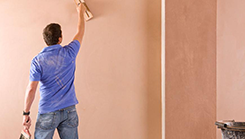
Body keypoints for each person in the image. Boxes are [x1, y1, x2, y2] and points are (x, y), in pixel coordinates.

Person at [22, 3, 86, 139]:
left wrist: (26, 114)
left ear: (45, 40)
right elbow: (80, 31)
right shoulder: (70, 52)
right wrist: (81, 11)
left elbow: (31, 89)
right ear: (60, 38)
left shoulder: (37, 61)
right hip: (69, 110)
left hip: (47, 112)